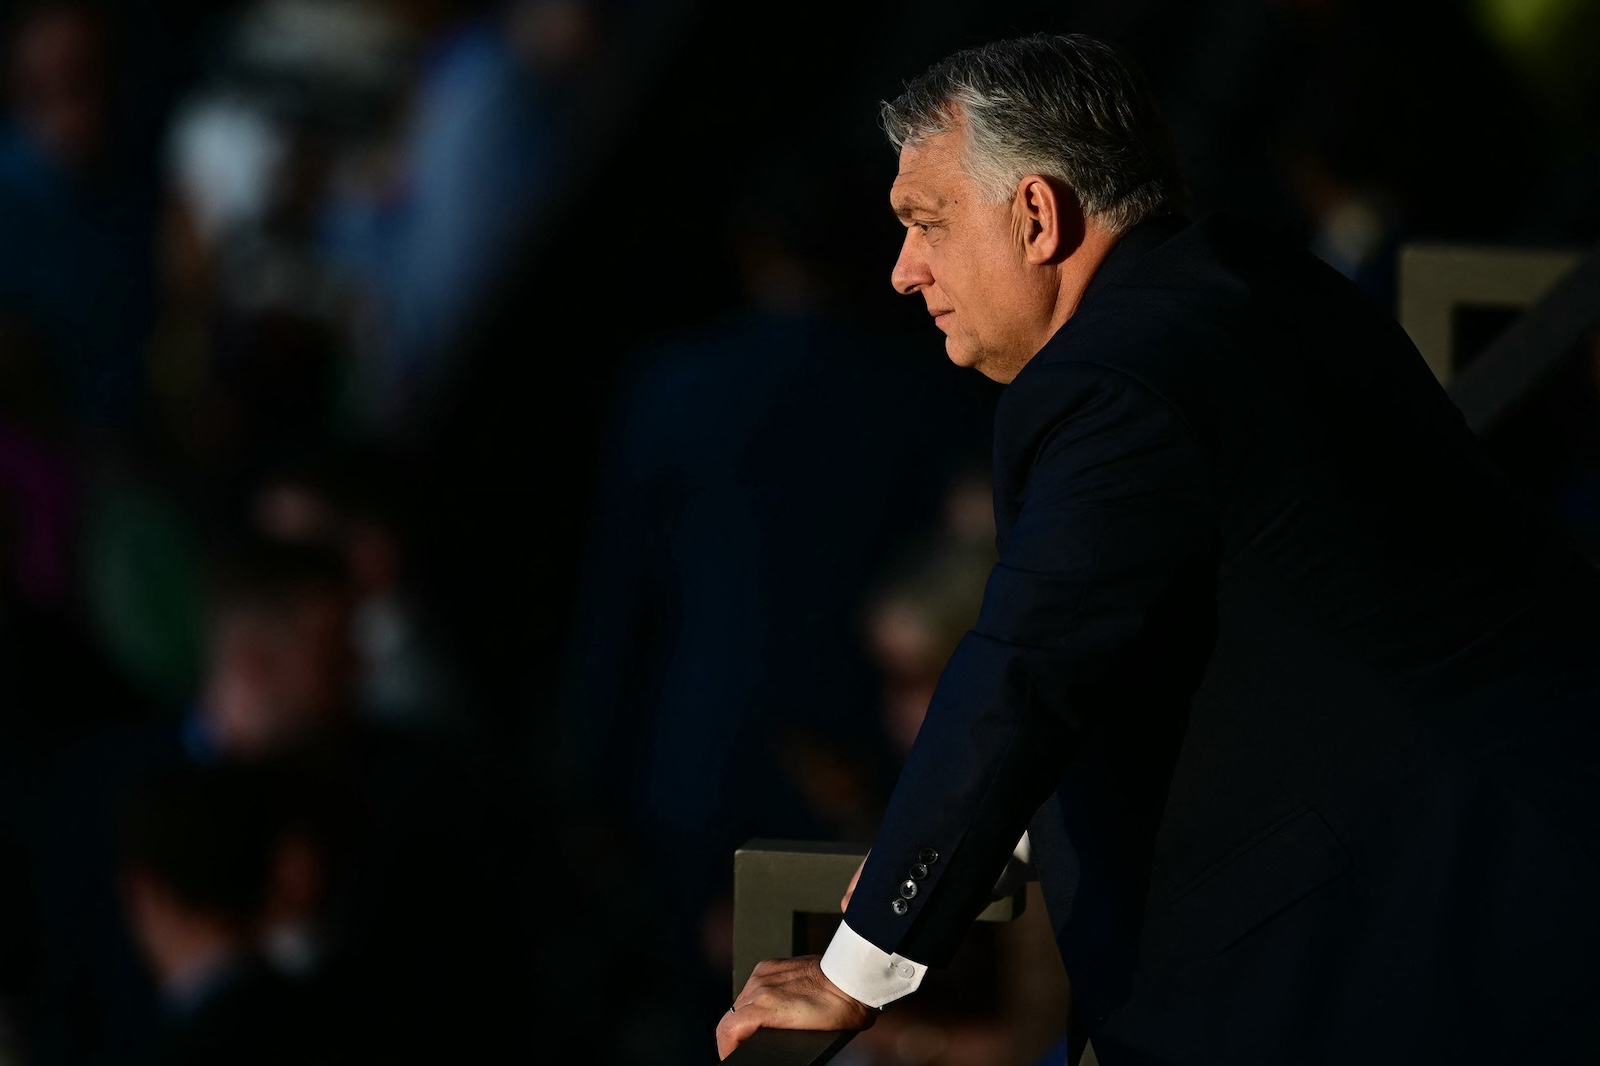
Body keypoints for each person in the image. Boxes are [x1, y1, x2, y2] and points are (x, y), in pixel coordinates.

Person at [717, 32, 1600, 1065]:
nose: (904, 271)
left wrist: (852, 970)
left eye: (925, 222)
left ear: (1036, 217)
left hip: (1423, 956)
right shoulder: (1255, 277)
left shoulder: (1109, 383)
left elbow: (1020, 673)